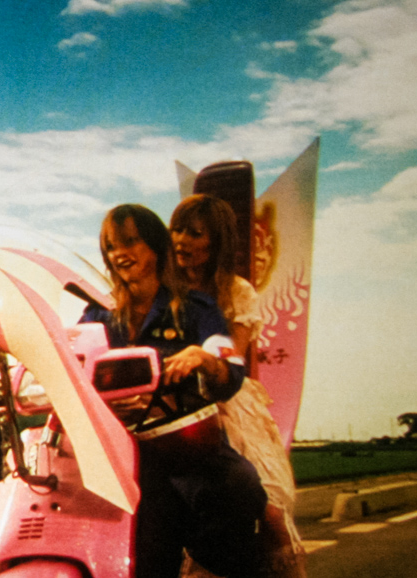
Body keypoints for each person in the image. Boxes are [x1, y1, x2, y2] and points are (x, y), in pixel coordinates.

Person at [79, 203, 268, 578]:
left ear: (155, 246)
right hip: (124, 455)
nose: (120, 254)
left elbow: (230, 372)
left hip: (187, 448)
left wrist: (204, 359)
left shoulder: (198, 309)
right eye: (111, 247)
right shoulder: (96, 313)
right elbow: (75, 367)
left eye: (130, 242)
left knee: (240, 485)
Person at [170, 194, 307, 578]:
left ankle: (279, 543)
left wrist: (201, 357)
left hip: (222, 399)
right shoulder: (163, 291)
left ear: (215, 243)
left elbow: (234, 356)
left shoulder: (236, 291)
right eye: (177, 229)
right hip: (168, 400)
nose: (181, 240)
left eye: (194, 233)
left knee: (259, 492)